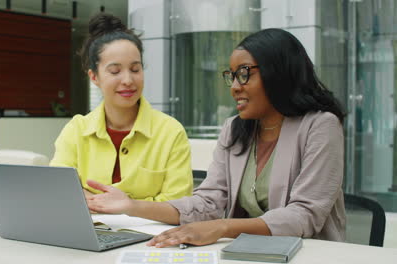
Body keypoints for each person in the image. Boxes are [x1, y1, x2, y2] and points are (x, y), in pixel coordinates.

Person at [85, 28, 347, 247]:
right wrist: (130, 205)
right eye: (232, 76)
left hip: (308, 253)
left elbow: (304, 216)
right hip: (243, 253)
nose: (234, 87)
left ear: (278, 73)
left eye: (244, 74)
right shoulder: (235, 128)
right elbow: (207, 202)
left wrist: (221, 228)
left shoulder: (321, 125)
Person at [49, 13, 193, 202]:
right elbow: (58, 191)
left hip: (154, 232)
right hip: (86, 231)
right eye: (115, 71)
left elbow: (179, 204)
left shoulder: (170, 132)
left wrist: (125, 205)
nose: (128, 80)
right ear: (94, 77)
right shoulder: (76, 130)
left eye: (135, 69)